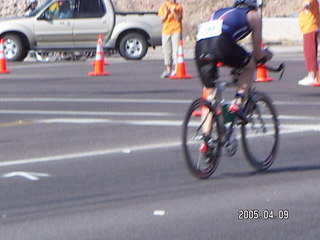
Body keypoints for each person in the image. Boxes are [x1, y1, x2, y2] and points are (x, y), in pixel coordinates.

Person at [195, 0, 273, 150]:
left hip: (200, 45)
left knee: (210, 94)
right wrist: (266, 54)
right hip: (221, 43)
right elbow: (257, 53)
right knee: (250, 67)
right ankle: (237, 103)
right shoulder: (254, 15)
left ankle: (206, 140)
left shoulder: (220, 12)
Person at [158, 0, 183, 78]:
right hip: (166, 31)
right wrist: (166, 13)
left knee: (176, 50)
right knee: (167, 50)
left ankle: (176, 70)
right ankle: (168, 70)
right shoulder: (163, 6)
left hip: (176, 30)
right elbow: (162, 19)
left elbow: (179, 19)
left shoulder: (178, 6)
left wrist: (174, 12)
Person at [298, 0, 320, 86]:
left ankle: (312, 76)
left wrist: (303, 7)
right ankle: (311, 74)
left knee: (310, 52)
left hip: (310, 27)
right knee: (308, 52)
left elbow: (308, 3)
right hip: (308, 28)